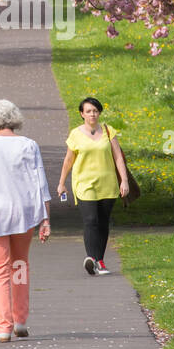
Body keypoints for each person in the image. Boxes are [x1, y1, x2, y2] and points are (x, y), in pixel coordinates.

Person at [0, 99, 52, 342]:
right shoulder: (29, 145)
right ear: (15, 119)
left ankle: (4, 326)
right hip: (24, 213)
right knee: (19, 264)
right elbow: (41, 185)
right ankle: (21, 320)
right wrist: (45, 220)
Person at [56, 96, 128, 276]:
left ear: (99, 113)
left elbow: (118, 157)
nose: (92, 114)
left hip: (108, 183)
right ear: (82, 114)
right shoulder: (75, 134)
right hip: (84, 184)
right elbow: (68, 160)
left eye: (95, 111)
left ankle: (100, 261)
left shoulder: (108, 130)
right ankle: (92, 260)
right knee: (90, 221)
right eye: (88, 111)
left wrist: (124, 180)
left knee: (103, 223)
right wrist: (61, 183)